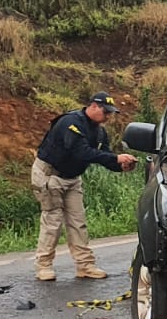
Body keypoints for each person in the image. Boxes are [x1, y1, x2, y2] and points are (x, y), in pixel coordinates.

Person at [31, 92, 134, 281]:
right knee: (52, 221)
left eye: (110, 113)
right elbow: (81, 152)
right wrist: (115, 158)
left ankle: (85, 266)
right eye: (106, 112)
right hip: (50, 175)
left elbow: (104, 155)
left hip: (72, 178)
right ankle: (43, 266)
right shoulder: (70, 123)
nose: (108, 117)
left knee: (78, 221)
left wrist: (120, 165)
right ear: (93, 106)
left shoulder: (99, 131)